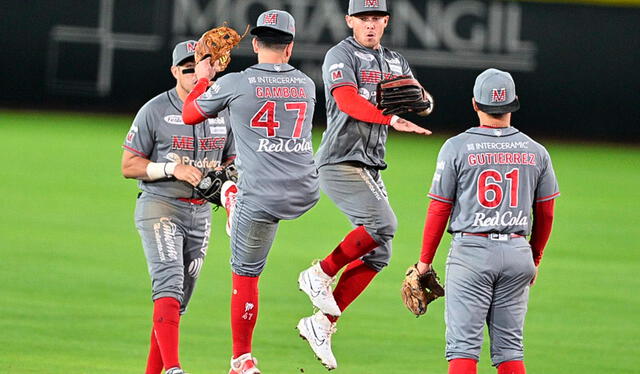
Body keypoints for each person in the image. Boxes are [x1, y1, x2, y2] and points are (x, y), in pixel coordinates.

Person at [296, 0, 431, 370]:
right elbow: (348, 100)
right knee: (384, 225)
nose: (369, 25)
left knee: (380, 253)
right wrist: (389, 118)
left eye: (376, 18)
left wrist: (424, 103)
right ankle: (319, 273)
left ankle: (322, 323)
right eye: (362, 18)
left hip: (370, 166)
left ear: (386, 22)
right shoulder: (341, 54)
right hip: (339, 160)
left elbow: (417, 96)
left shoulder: (394, 61)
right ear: (349, 21)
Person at [182, 10, 319, 374]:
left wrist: (203, 77)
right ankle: (232, 196)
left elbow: (190, 114)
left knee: (246, 274)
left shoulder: (237, 83)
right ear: (290, 47)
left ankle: (241, 359)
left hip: (260, 197)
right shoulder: (307, 85)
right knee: (248, 177)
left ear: (255, 43)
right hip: (305, 191)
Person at [413, 68, 559, 374]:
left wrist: (424, 262)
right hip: (518, 254)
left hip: (472, 254)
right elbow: (545, 212)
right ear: (514, 103)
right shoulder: (537, 152)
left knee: (463, 350)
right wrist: (534, 257)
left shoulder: (456, 147)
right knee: (510, 351)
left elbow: (439, 208)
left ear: (475, 104)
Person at [121, 40, 236, 374]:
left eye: (202, 66)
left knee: (176, 304)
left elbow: (232, 158)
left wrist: (228, 177)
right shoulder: (155, 110)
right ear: (175, 72)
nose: (195, 73)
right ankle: (173, 368)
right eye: (188, 68)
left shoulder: (222, 110)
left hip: (201, 213)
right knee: (168, 286)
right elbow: (128, 165)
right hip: (161, 204)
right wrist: (170, 168)